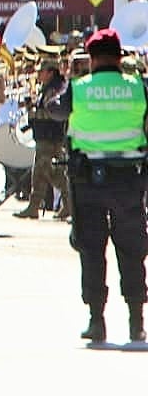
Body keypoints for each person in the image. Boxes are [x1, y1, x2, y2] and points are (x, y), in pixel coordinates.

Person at [64, 27, 148, 343]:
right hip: (129, 180)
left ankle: (96, 321)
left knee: (91, 250)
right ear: (119, 57)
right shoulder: (138, 87)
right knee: (132, 249)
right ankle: (136, 322)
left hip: (88, 182)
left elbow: (55, 109)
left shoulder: (79, 89)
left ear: (93, 58)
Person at [15, 55, 71, 220]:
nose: (38, 74)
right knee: (43, 173)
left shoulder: (56, 89)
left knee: (45, 172)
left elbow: (54, 114)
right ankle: (56, 204)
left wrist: (33, 114)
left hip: (51, 137)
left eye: (42, 71)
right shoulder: (47, 88)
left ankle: (63, 203)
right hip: (44, 136)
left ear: (51, 73)